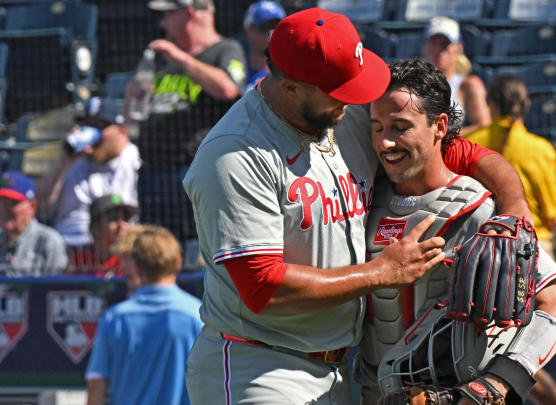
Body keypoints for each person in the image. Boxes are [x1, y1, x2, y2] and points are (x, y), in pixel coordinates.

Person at [183, 8, 533, 405]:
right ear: (293, 87)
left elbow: (459, 151)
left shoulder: (339, 108)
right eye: (340, 90)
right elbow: (264, 288)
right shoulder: (233, 156)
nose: (354, 100)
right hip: (258, 366)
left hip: (337, 372)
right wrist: (380, 272)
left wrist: (514, 205)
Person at [359, 58, 556, 405]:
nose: (385, 142)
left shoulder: (480, 211)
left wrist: (496, 383)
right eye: (377, 127)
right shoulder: (360, 202)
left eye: (400, 126)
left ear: (440, 125)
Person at [127, 0, 246, 242]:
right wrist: (131, 92)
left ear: (188, 13)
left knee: (199, 243)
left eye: (168, 14)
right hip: (154, 171)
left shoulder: (225, 49)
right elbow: (132, 115)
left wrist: (181, 58)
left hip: (195, 169)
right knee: (154, 245)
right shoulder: (160, 60)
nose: (162, 22)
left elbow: (228, 89)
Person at [85, 225, 202, 405]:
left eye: (127, 260)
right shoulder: (198, 316)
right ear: (178, 262)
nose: (124, 268)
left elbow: (96, 390)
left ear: (138, 267)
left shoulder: (114, 319)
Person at [465, 75, 556, 258]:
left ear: (490, 104)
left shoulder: (469, 144)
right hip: (532, 246)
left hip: (480, 248)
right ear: (526, 104)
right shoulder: (541, 150)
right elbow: (553, 216)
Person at [35, 97, 140, 251]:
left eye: (99, 127)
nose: (92, 134)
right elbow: (40, 207)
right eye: (87, 125)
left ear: (122, 131)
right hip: (67, 249)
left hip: (117, 250)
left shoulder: (135, 161)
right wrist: (63, 162)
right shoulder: (74, 161)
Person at [423, 16, 491, 135]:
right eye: (434, 43)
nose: (439, 50)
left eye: (445, 44)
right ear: (425, 46)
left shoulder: (468, 85)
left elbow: (484, 127)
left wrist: (441, 138)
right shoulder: (415, 85)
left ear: (459, 47)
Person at [0, 172, 67, 276]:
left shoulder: (48, 242)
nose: (5, 209)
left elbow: (57, 289)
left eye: (13, 203)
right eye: (2, 202)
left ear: (32, 206)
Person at [82, 194, 139, 276]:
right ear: (95, 228)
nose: (121, 225)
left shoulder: (133, 262)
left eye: (125, 219)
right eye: (113, 219)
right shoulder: (78, 261)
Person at [242, 0, 285, 94]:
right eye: (264, 27)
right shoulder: (238, 70)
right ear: (248, 31)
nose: (271, 33)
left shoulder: (292, 73)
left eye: (277, 27)